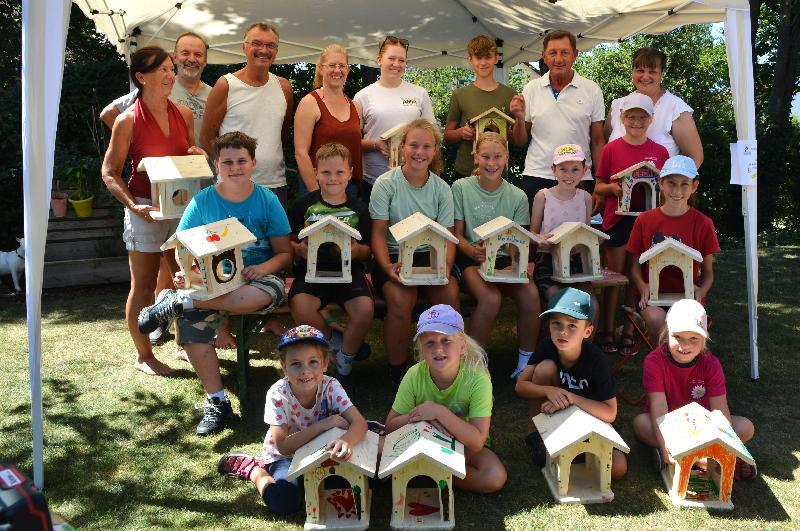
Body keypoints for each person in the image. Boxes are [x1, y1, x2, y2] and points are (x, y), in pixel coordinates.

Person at [137, 131, 292, 435]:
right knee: (194, 328)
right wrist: (187, 272)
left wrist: (263, 267)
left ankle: (181, 302)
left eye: (241, 161)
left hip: (256, 278)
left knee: (261, 295)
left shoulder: (267, 200)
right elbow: (179, 245)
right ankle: (217, 401)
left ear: (253, 164)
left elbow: (284, 253)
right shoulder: (202, 202)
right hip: (212, 280)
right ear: (216, 166)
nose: (235, 167)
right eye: (227, 162)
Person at [100, 32, 214, 349]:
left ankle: (182, 344)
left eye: (169, 69)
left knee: (187, 278)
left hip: (182, 207)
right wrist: (134, 207)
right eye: (162, 70)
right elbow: (109, 172)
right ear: (141, 77)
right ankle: (144, 355)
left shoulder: (185, 114)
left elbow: (189, 151)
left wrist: (197, 154)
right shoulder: (127, 120)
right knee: (145, 284)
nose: (169, 75)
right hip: (145, 208)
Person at [217, 325, 369, 514]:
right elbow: (283, 446)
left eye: (313, 362)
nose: (305, 371)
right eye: (296, 364)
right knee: (285, 501)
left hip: (321, 452)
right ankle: (254, 469)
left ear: (324, 364)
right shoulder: (277, 394)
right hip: (286, 457)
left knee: (349, 487)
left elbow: (359, 423)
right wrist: (325, 424)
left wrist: (346, 441)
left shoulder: (331, 386)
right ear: (284, 366)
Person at [369, 119, 460, 387]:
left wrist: (444, 266)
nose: (419, 152)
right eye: (414, 145)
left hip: (430, 255)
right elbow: (377, 233)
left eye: (426, 147)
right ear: (402, 148)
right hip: (394, 255)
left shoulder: (442, 188)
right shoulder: (385, 184)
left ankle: (445, 364)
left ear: (434, 152)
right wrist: (387, 268)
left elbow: (449, 236)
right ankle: (399, 371)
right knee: (400, 299)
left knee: (449, 294)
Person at [385, 305, 507, 493]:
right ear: (421, 350)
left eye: (446, 340)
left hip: (464, 444)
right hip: (423, 443)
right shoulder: (414, 375)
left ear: (463, 346)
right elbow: (391, 426)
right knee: (377, 456)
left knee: (494, 477)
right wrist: (422, 417)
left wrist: (439, 412)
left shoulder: (478, 379)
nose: (438, 348)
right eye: (430, 343)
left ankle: (427, 472)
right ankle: (432, 471)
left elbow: (476, 441)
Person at [632, 299, 756, 478]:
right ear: (667, 333)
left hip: (702, 426)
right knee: (640, 424)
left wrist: (721, 442)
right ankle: (704, 460)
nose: (685, 346)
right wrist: (665, 442)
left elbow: (720, 411)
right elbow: (658, 406)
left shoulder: (711, 364)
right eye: (677, 337)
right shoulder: (654, 361)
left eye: (693, 339)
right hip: (670, 425)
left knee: (745, 427)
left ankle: (700, 457)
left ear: (704, 339)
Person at [452, 132, 541, 378]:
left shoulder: (517, 195)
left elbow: (518, 241)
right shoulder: (461, 187)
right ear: (475, 157)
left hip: (504, 259)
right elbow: (456, 234)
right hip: (472, 257)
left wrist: (518, 263)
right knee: (490, 299)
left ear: (507, 158)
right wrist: (472, 250)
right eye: (486, 157)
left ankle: (525, 363)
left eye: (497, 157)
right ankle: (472, 366)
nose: (491, 163)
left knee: (531, 294)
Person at [515, 288, 627, 478]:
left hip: (590, 422)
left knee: (617, 468)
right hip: (556, 420)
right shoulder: (547, 346)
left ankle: (576, 452)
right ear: (548, 325)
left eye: (572, 325)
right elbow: (520, 386)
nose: (563, 331)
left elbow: (610, 412)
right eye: (556, 323)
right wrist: (549, 390)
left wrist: (571, 398)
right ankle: (536, 434)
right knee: (545, 368)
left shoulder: (597, 360)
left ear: (588, 331)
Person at [288, 143, 374, 382]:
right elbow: (289, 240)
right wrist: (299, 250)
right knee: (301, 306)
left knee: (365, 309)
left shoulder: (358, 209)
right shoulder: (304, 206)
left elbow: (368, 250)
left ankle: (345, 358)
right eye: (326, 172)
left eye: (339, 172)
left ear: (350, 173)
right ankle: (331, 346)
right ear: (315, 173)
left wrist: (357, 252)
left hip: (349, 272)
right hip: (311, 272)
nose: (333, 178)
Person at [594, 93, 669, 354]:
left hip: (646, 225)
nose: (636, 122)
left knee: (635, 278)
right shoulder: (611, 149)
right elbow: (599, 185)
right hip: (617, 221)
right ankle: (606, 329)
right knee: (615, 278)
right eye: (631, 117)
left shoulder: (660, 152)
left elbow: (664, 187)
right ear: (622, 118)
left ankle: (628, 330)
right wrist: (612, 189)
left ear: (650, 119)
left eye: (642, 117)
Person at [626, 155, 720, 346]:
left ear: (694, 186)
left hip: (687, 296)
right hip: (651, 296)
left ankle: (683, 367)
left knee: (687, 327)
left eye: (684, 184)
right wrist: (642, 286)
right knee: (657, 321)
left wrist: (701, 290)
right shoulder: (644, 220)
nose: (677, 191)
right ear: (661, 183)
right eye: (671, 183)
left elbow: (708, 272)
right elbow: (634, 265)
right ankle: (663, 366)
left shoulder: (703, 223)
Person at [510, 29, 606, 208]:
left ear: (575, 55)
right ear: (544, 56)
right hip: (537, 175)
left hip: (579, 177)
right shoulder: (531, 89)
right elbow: (520, 140)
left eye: (564, 52)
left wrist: (600, 182)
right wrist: (519, 118)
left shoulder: (592, 90)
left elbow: (598, 141)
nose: (558, 59)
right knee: (536, 235)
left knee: (576, 235)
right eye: (552, 53)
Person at [201, 22, 293, 203]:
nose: (264, 50)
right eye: (257, 43)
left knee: (275, 233)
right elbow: (207, 137)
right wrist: (229, 169)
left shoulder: (284, 87)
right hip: (233, 185)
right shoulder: (226, 85)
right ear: (244, 47)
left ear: (276, 51)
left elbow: (282, 135)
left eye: (270, 45)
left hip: (275, 184)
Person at [354, 35, 435, 203]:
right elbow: (353, 141)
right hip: (373, 181)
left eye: (402, 60)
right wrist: (377, 145)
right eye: (391, 58)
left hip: (412, 181)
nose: (397, 64)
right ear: (379, 60)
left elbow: (432, 136)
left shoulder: (419, 93)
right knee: (377, 228)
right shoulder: (363, 96)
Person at [100, 32, 213, 144]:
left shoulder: (214, 94)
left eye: (198, 54)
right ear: (175, 57)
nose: (192, 59)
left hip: (206, 161)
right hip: (164, 162)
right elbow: (109, 113)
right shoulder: (160, 85)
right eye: (185, 53)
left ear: (205, 60)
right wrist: (135, 144)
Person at [605, 47, 703, 168]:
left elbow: (695, 158)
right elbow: (605, 150)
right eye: (640, 70)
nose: (645, 77)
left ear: (662, 73)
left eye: (652, 72)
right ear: (632, 72)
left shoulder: (676, 108)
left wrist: (674, 184)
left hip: (661, 186)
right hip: (615, 186)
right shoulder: (617, 106)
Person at [530, 144, 598, 317]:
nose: (569, 175)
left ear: (584, 170)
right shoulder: (542, 196)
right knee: (560, 301)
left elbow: (587, 234)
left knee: (592, 305)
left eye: (575, 169)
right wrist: (541, 239)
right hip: (547, 261)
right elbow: (532, 235)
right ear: (553, 170)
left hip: (576, 262)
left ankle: (585, 343)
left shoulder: (585, 198)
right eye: (563, 169)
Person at [444, 35, 517, 180]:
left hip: (497, 170)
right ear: (470, 60)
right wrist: (461, 132)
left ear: (496, 58)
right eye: (478, 58)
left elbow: (518, 138)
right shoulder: (459, 94)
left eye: (488, 57)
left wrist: (502, 131)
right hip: (465, 171)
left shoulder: (510, 94)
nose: (483, 62)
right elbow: (447, 135)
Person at [294, 44, 362, 197]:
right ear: (320, 68)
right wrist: (315, 194)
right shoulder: (309, 103)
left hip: (348, 187)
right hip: (316, 185)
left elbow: (355, 146)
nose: (337, 70)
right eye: (332, 65)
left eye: (342, 66)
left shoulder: (356, 107)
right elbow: (300, 153)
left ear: (348, 70)